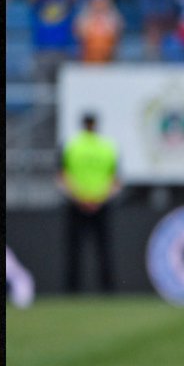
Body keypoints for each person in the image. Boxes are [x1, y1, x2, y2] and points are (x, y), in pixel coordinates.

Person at [58, 112, 121, 293]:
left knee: (75, 249)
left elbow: (61, 177)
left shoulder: (72, 146)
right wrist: (98, 200)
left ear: (82, 124)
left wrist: (80, 198)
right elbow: (116, 181)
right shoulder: (107, 147)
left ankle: (72, 290)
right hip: (100, 204)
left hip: (77, 204)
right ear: (96, 125)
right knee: (103, 249)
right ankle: (108, 290)